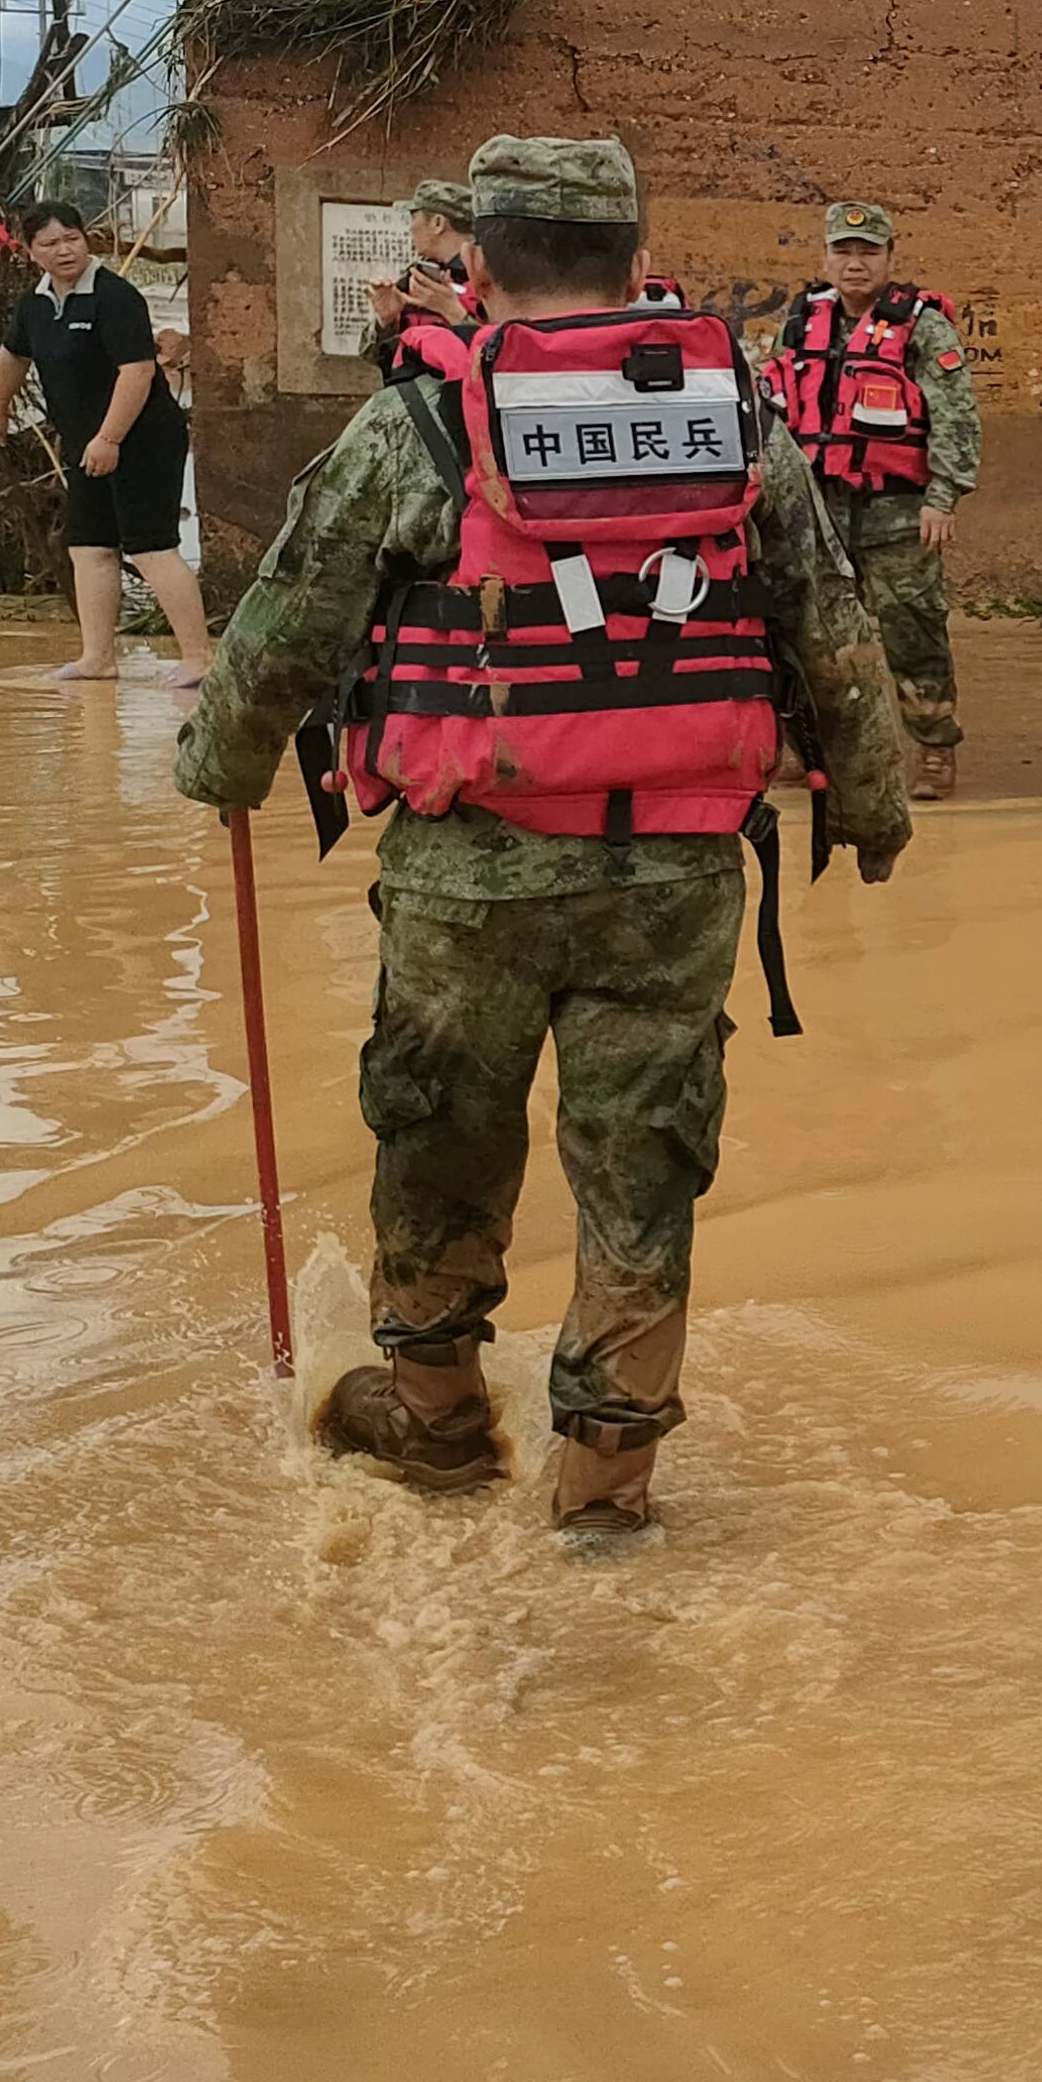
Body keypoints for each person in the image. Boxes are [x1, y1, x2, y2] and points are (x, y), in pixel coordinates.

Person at [169, 136, 920, 1530]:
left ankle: (439, 1422)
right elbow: (836, 635)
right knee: (644, 1163)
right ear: (638, 264)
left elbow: (283, 628)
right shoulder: (742, 420)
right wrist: (874, 814)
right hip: (680, 875)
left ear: (477, 263)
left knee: (440, 1132)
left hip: (470, 874)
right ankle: (607, 1487)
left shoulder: (419, 426)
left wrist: (220, 767)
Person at [764, 200, 979, 802]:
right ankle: (810, 750)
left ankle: (934, 748)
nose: (854, 263)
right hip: (815, 508)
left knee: (914, 632)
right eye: (843, 251)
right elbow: (775, 410)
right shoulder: (802, 319)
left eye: (868, 252)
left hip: (897, 512)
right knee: (808, 633)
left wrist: (944, 495)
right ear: (826, 256)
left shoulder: (923, 326)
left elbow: (955, 415)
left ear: (890, 256)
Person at [0, 199, 215, 687]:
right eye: (50, 243)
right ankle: (97, 658)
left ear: (87, 240)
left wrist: (110, 438)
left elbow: (139, 371)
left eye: (72, 239)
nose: (64, 251)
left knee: (151, 548)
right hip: (86, 443)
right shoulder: (34, 304)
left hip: (142, 437)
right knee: (88, 547)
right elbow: (12, 357)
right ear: (29, 251)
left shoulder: (116, 297)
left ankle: (199, 658)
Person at [360, 177, 478, 386]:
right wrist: (387, 321)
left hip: (468, 406)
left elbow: (507, 356)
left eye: (414, 218)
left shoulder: (492, 279)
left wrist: (454, 312)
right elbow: (372, 355)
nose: (410, 229)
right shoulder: (416, 279)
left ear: (437, 223)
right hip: (414, 403)